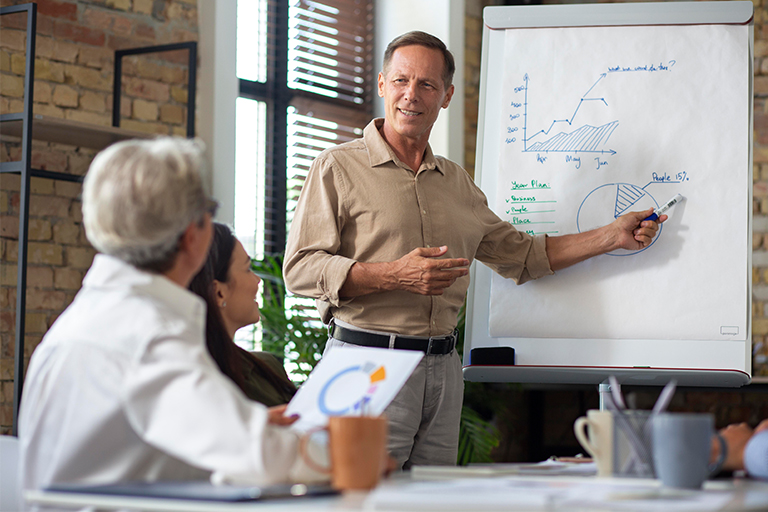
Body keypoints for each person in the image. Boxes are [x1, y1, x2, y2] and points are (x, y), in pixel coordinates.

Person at [283, 31, 665, 470]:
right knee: (359, 499)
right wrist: (394, 275)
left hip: (443, 373)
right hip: (365, 365)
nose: (412, 95)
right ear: (383, 84)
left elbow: (524, 257)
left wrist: (612, 235)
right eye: (402, 80)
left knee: (436, 501)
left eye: (427, 85)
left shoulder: (458, 184)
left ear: (445, 96)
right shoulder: (336, 167)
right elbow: (300, 269)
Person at [18, 138, 324, 493]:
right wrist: (342, 455)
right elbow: (263, 458)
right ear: (192, 234)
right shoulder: (152, 334)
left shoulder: (83, 318)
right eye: (210, 210)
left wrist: (240, 424)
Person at [188, 222, 297, 407]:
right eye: (247, 269)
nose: (258, 280)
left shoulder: (267, 366)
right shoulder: (201, 387)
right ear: (219, 292)